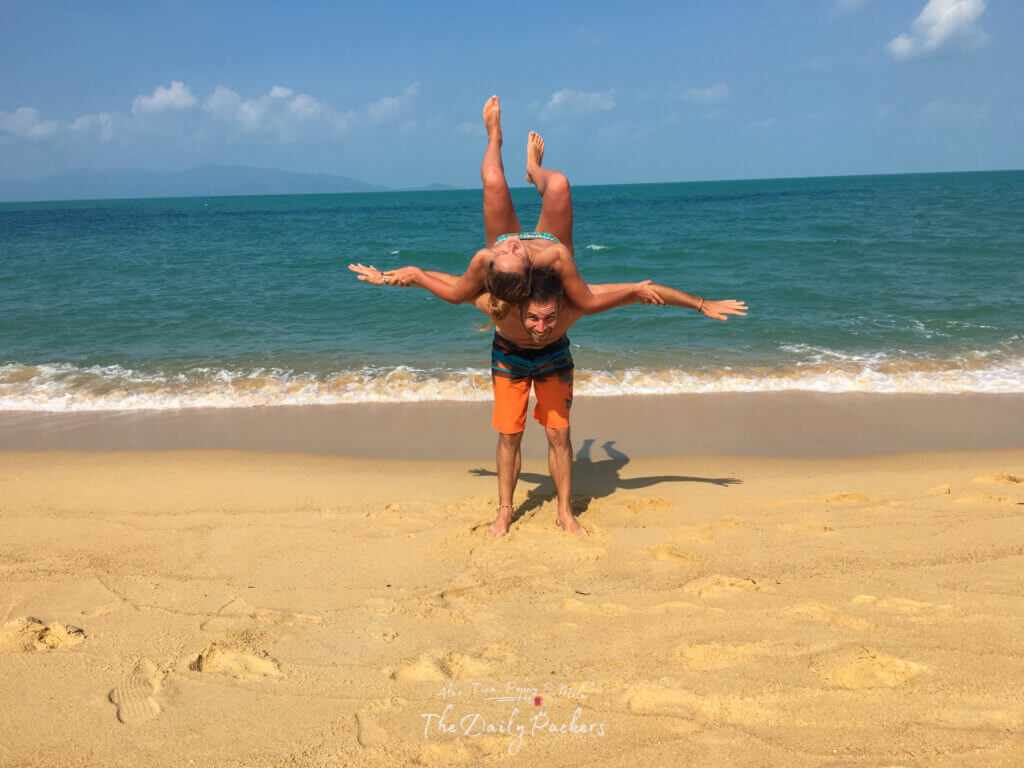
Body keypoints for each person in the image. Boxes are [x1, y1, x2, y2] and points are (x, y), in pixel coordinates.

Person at [349, 263, 748, 538]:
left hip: (556, 360)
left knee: (559, 435)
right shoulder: (497, 303)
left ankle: (564, 512)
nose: (541, 327)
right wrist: (385, 278)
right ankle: (505, 512)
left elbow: (643, 290)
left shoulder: (578, 302)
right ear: (519, 307)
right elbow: (439, 281)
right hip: (508, 357)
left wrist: (700, 304)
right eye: (534, 319)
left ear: (562, 307)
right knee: (510, 434)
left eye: (549, 318)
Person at [357, 95, 664, 322]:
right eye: (518, 256)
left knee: (492, 179)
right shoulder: (553, 262)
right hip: (551, 240)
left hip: (500, 242)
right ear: (532, 272)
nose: (515, 245)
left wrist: (390, 276)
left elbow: (454, 294)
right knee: (558, 184)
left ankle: (494, 138)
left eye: (506, 254)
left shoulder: (486, 257)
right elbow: (591, 302)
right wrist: (636, 291)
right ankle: (535, 170)